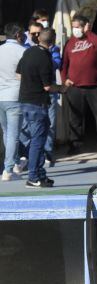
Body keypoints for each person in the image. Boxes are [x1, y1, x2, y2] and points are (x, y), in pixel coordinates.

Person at [18, 28, 66, 188]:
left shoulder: (28, 52)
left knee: (37, 138)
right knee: (38, 141)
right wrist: (62, 88)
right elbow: (47, 86)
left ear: (38, 37)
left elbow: (19, 74)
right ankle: (33, 176)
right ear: (53, 43)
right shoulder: (45, 58)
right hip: (37, 102)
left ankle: (40, 174)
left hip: (25, 99)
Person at [61, 14, 97, 156]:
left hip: (96, 86)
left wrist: (88, 32)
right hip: (75, 87)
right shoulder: (70, 43)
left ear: (85, 26)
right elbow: (64, 64)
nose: (75, 30)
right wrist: (64, 79)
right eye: (73, 27)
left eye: (77, 27)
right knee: (75, 118)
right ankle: (75, 145)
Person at [22, 11, 61, 166]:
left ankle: (47, 154)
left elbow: (57, 63)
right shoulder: (25, 48)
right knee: (25, 126)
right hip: (30, 92)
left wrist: (44, 61)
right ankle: (31, 155)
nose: (36, 35)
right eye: (34, 33)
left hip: (48, 91)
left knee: (49, 124)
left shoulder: (52, 49)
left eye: (39, 32)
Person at [0, 23, 25, 181]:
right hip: (15, 95)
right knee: (13, 134)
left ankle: (14, 163)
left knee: (6, 132)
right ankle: (8, 170)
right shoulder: (23, 51)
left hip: (0, 96)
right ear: (18, 35)